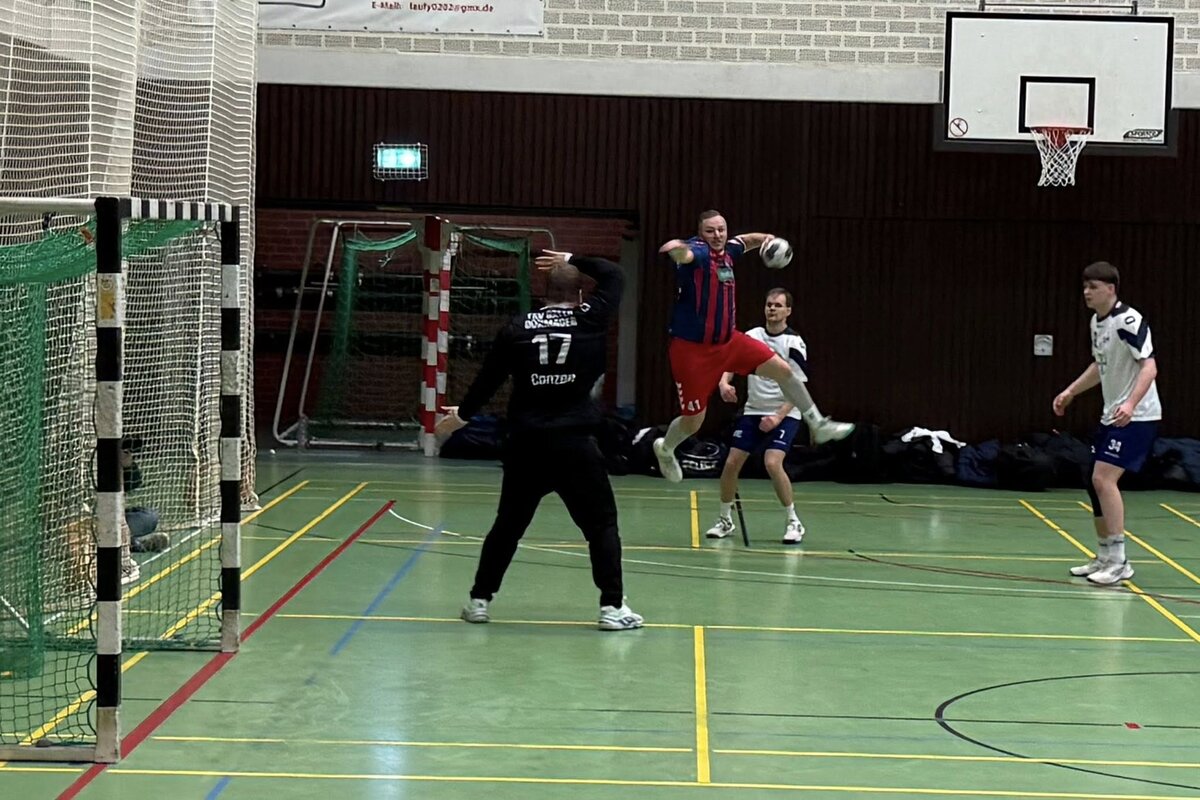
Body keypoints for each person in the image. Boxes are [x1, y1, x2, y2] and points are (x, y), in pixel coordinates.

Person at [435, 249, 643, 631]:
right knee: (601, 526)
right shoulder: (591, 318)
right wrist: (574, 257)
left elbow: (488, 379)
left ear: (544, 294)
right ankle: (612, 608)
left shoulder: (517, 328)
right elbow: (614, 275)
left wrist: (461, 417)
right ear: (579, 294)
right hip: (575, 443)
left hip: (526, 445)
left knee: (508, 526)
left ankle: (479, 601)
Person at [651, 210, 853, 483]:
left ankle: (817, 423)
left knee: (784, 370)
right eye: (710, 231)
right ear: (700, 233)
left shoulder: (728, 250)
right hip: (692, 352)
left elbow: (745, 241)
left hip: (729, 342)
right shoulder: (698, 252)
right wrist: (676, 249)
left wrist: (767, 238)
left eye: (721, 229)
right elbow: (684, 255)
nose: (717, 235)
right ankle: (665, 449)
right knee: (693, 421)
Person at [1053, 261, 1161, 586]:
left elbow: (1149, 367)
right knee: (1093, 481)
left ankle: (1119, 561)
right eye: (1085, 286)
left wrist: (1130, 404)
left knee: (1103, 479)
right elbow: (1100, 365)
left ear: (1110, 289)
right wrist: (1070, 391)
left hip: (1137, 416)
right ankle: (1104, 555)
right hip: (1111, 415)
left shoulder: (1128, 321)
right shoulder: (1096, 323)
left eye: (1094, 287)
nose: (1087, 292)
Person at [706, 289, 810, 544]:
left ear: (788, 311)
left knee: (772, 462)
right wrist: (724, 383)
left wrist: (777, 417)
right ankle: (725, 519)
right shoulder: (752, 336)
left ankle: (794, 522)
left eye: (778, 305)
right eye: (769, 304)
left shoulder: (794, 343)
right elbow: (731, 361)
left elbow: (799, 387)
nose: (772, 308)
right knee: (731, 463)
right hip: (754, 410)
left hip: (786, 412)